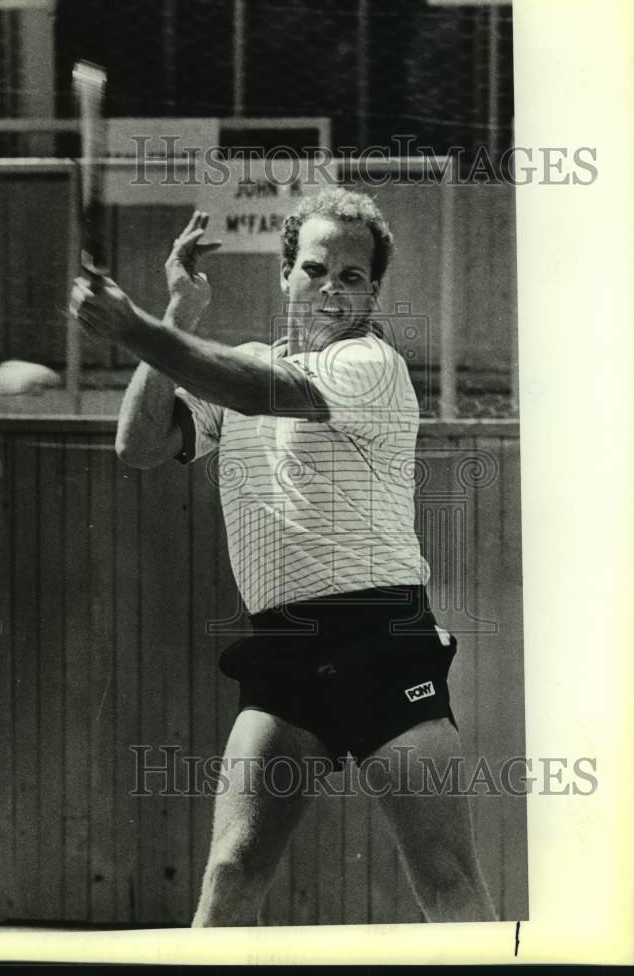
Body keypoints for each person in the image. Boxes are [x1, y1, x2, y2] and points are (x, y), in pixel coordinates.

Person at [70, 187, 497, 927]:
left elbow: (257, 390)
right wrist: (177, 315)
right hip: (284, 650)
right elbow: (138, 446)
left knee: (446, 877)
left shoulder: (370, 363)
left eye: (352, 276)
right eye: (315, 270)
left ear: (373, 293)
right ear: (285, 275)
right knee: (231, 867)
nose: (331, 289)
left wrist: (136, 329)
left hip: (382, 641)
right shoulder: (236, 365)